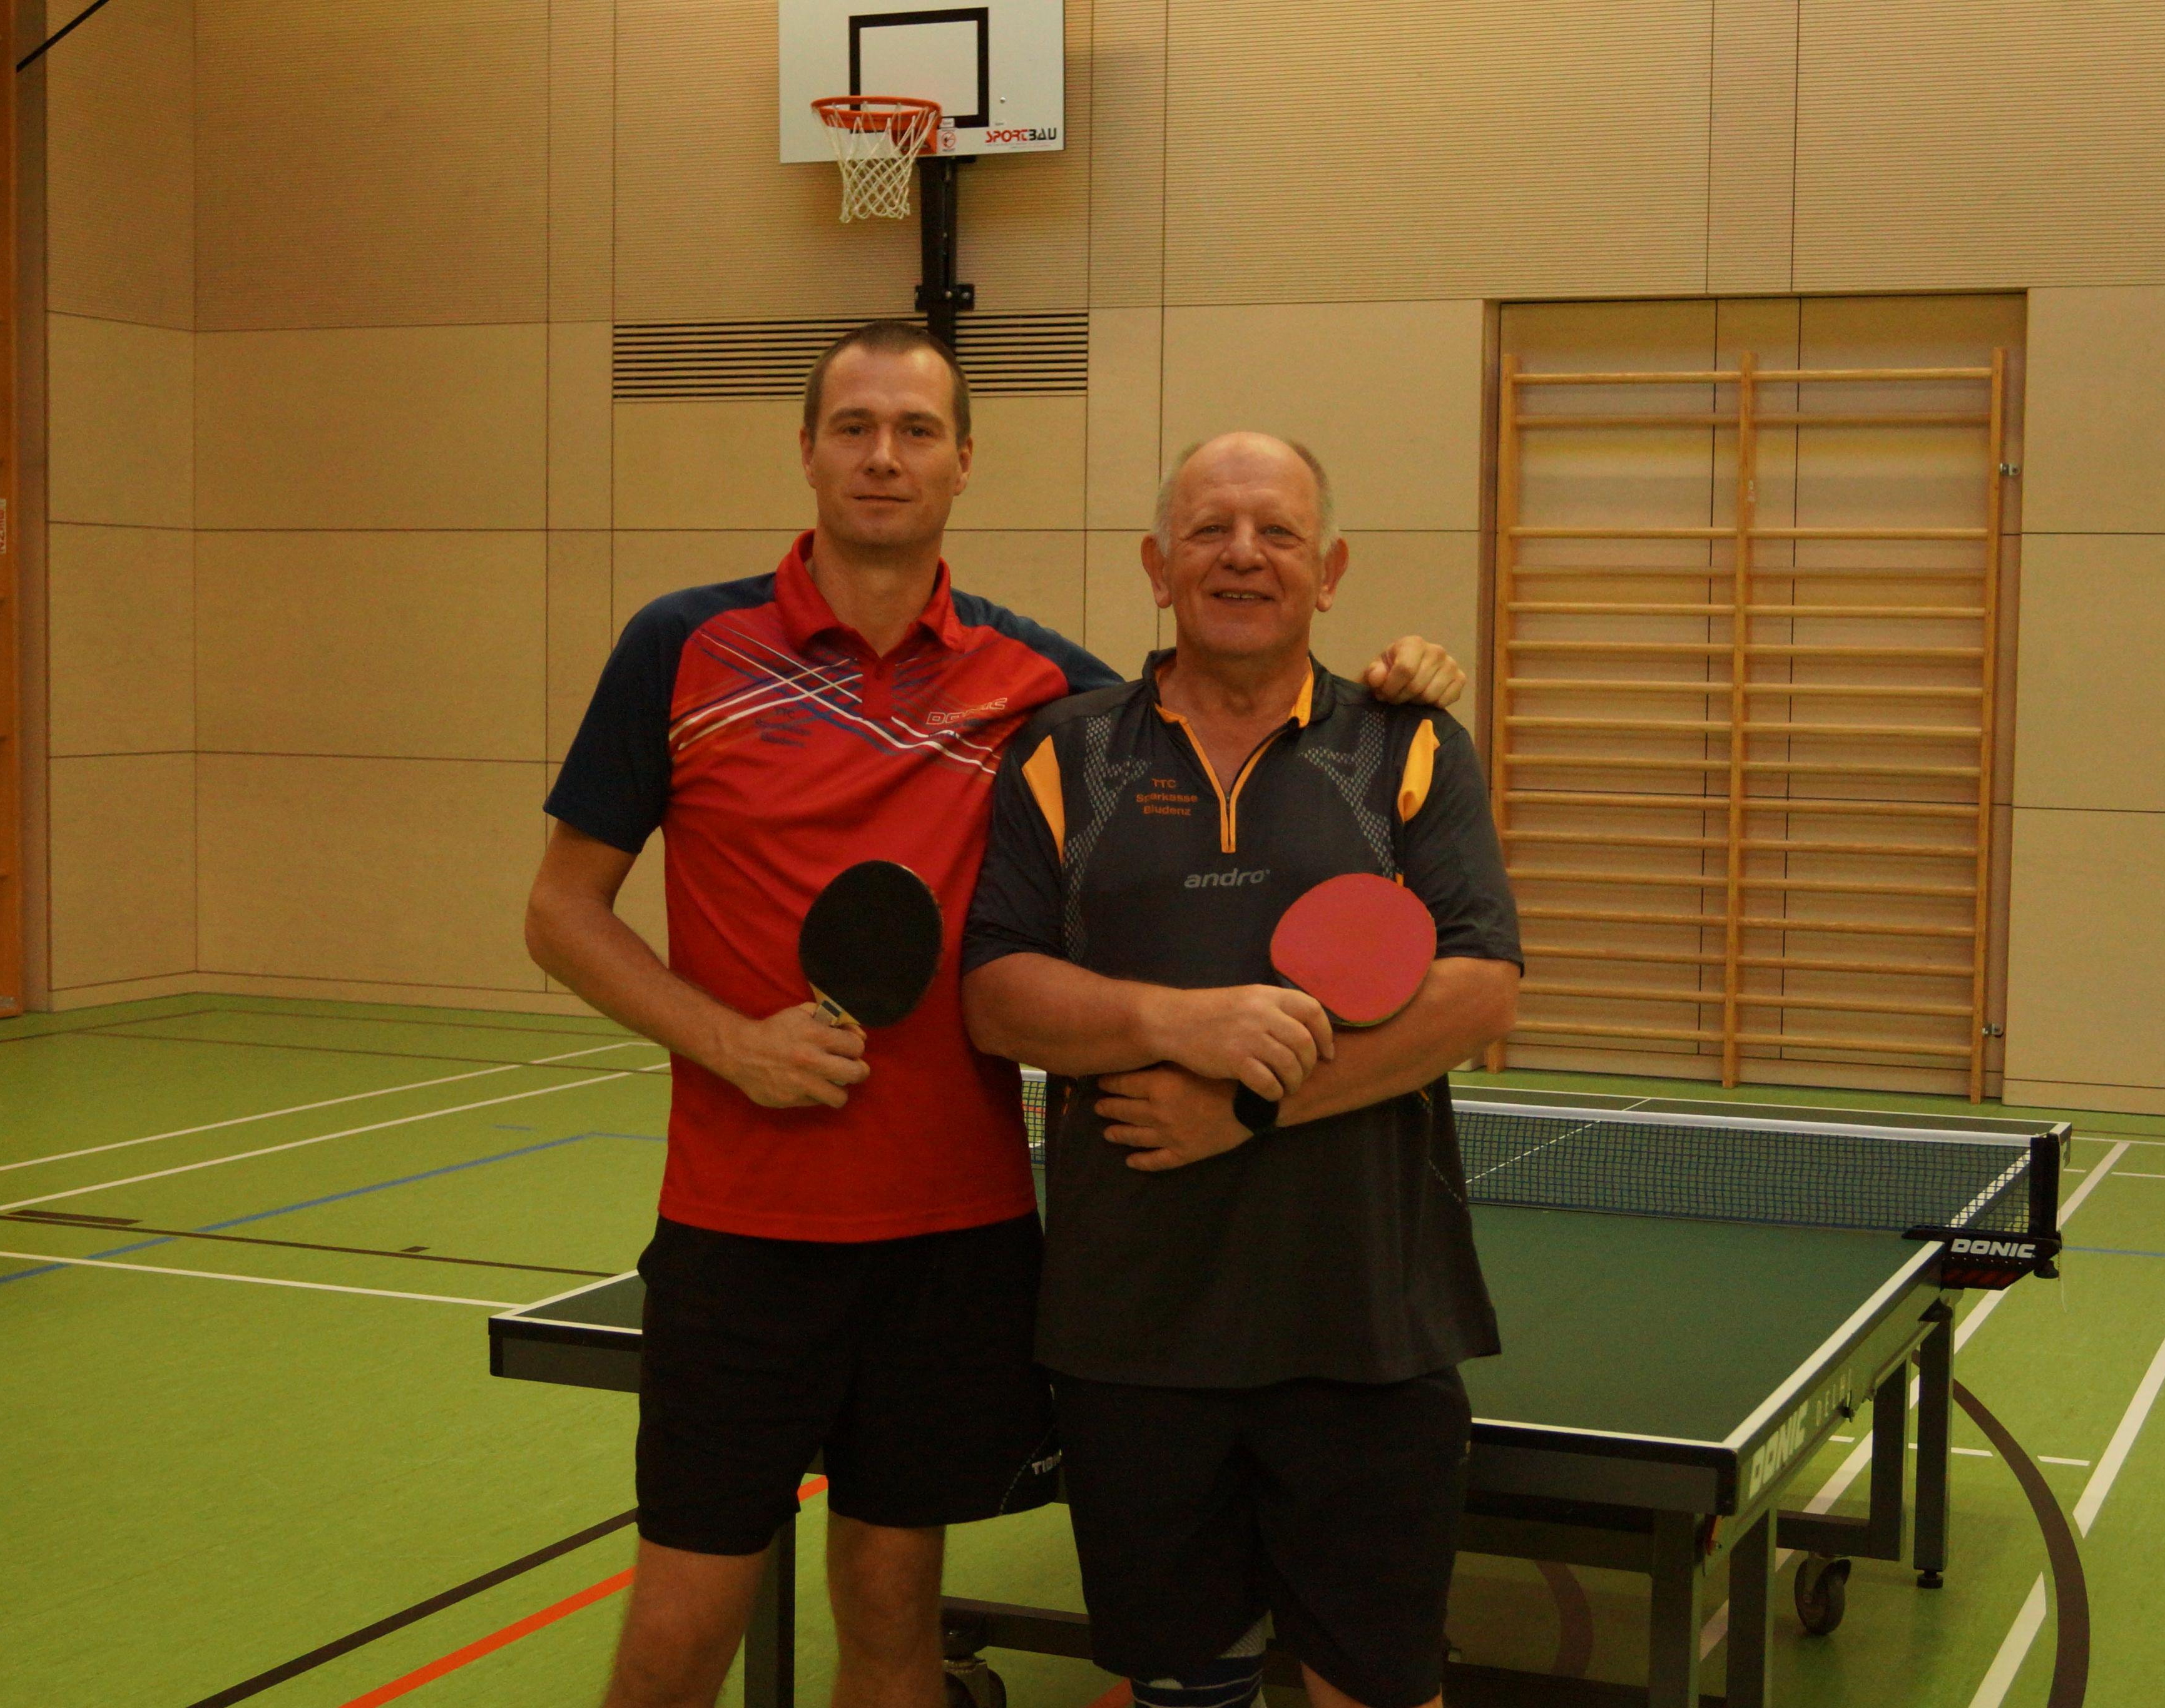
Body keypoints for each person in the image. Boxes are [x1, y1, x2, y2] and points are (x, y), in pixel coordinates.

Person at [523, 323, 1472, 1708]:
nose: (883, 456)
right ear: (806, 451)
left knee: (893, 1604)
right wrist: (731, 1042)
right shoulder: (683, 647)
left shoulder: (1039, 687)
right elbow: (560, 911)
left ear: (964, 461)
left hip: (953, 1236)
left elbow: (1214, 688)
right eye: (854, 427)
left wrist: (1398, 682)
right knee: (681, 1625)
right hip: (740, 1227)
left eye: (916, 430)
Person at [960, 432, 1524, 1708]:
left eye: (1277, 532)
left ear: (1329, 570)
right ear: (1157, 565)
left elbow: (1480, 988)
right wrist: (1182, 1023)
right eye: (1209, 530)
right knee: (1182, 1690)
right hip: (1133, 1331)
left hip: (1364, 1325)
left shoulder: (1407, 745)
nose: (1242, 555)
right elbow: (995, 996)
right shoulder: (1064, 754)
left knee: (1377, 1689)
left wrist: (1248, 1106)